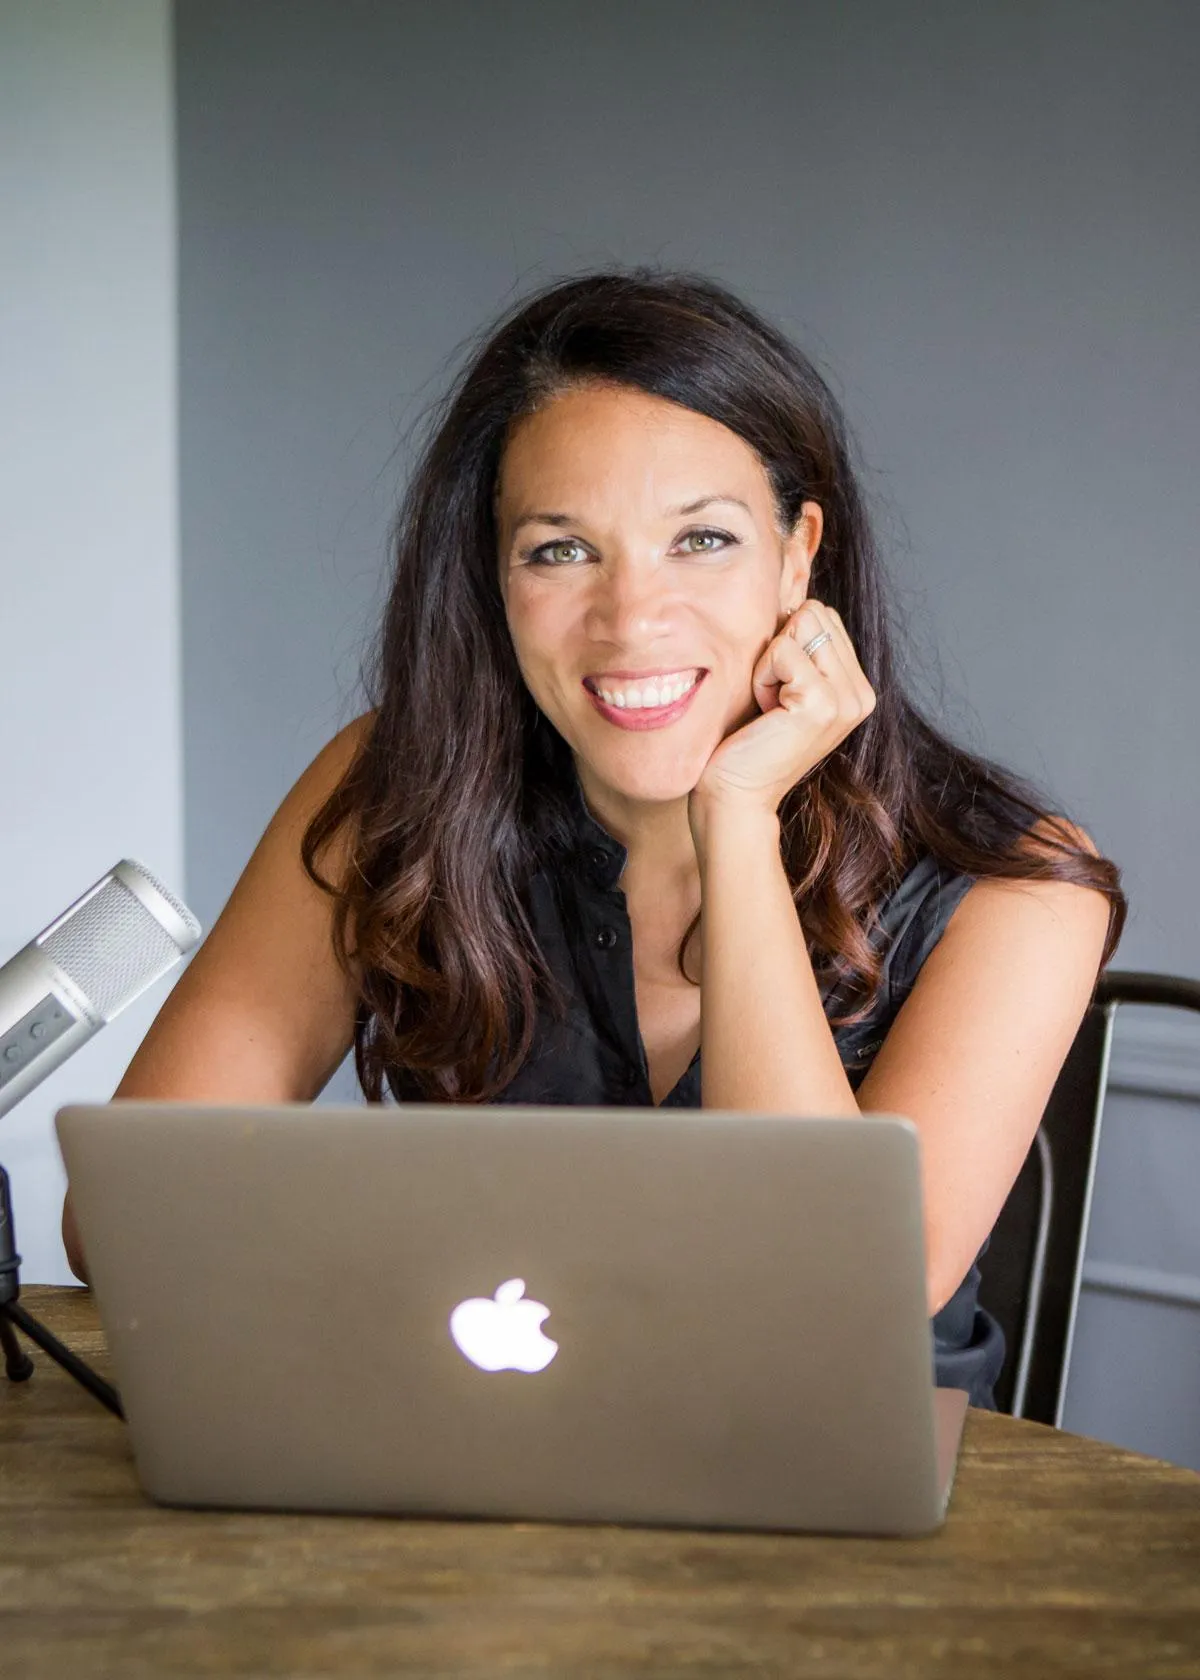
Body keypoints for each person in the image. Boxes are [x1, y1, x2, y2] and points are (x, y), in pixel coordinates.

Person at [62, 268, 1125, 1409]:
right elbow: (121, 1220)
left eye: (702, 540)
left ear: (798, 553)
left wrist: (737, 818)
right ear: (493, 572)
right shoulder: (395, 789)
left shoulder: (1016, 888)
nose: (631, 620)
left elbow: (841, 1290)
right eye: (560, 550)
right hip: (468, 1475)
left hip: (835, 1538)